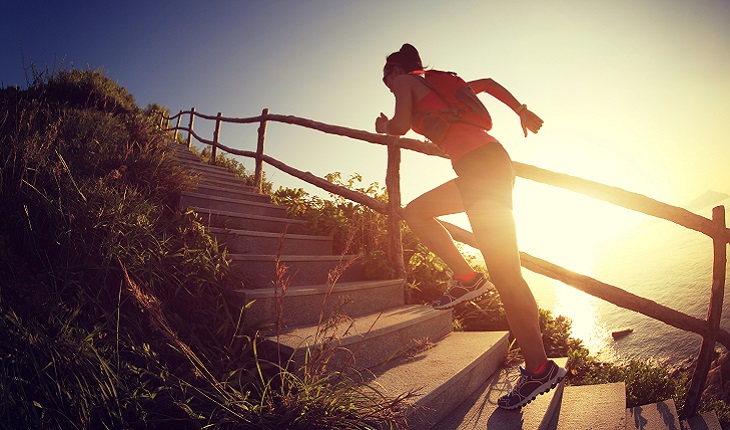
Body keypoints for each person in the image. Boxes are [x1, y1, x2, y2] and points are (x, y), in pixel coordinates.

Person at [375, 43, 566, 410]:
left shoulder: (404, 82)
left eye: (386, 80)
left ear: (395, 70)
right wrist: (522, 111)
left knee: (504, 275)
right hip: (491, 163)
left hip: (479, 169)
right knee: (504, 272)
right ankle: (471, 283)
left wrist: (386, 126)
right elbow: (490, 83)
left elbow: (398, 125)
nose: (388, 86)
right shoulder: (445, 81)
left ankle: (536, 364)